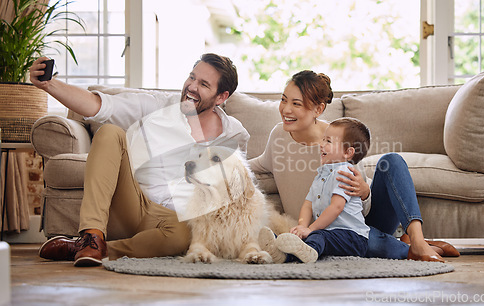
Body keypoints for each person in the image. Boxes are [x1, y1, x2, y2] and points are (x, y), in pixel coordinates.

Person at [30, 53, 250, 266]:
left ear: (221, 97)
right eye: (192, 77)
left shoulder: (234, 135)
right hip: (132, 202)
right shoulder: (157, 106)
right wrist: (49, 84)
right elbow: (97, 105)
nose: (191, 87)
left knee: (185, 235)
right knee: (109, 133)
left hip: (173, 221)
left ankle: (96, 250)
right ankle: (92, 236)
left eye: (204, 84)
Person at [250, 70, 459, 262]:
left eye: (296, 104)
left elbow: (360, 208)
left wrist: (365, 192)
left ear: (318, 109)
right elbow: (257, 166)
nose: (286, 109)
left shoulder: (336, 141)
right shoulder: (279, 135)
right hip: (319, 233)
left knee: (392, 161)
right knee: (380, 248)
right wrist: (221, 164)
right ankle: (409, 245)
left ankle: (418, 241)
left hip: (356, 227)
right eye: (284, 100)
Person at [259, 117, 371, 263]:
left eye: (328, 141)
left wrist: (310, 229)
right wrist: (301, 227)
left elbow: (336, 207)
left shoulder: (344, 173)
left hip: (353, 238)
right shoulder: (321, 175)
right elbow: (308, 204)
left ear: (348, 153)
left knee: (317, 236)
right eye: (323, 139)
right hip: (330, 234)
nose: (322, 144)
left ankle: (293, 255)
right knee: (310, 235)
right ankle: (279, 248)